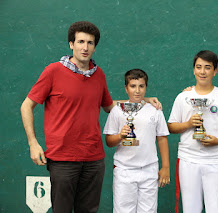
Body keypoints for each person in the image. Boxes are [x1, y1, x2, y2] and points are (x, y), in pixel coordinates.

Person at [20, 21, 160, 213]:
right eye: (80, 42)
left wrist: (141, 101)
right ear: (71, 44)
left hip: (93, 158)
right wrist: (33, 143)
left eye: (90, 43)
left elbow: (110, 106)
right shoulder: (53, 71)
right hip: (63, 158)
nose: (85, 47)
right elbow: (27, 105)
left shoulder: (98, 74)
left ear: (95, 46)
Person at [168, 50, 218, 213]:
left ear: (215, 71)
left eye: (207, 67)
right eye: (199, 67)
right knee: (191, 209)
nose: (202, 72)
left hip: (215, 160)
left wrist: (217, 141)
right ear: (194, 70)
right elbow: (171, 126)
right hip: (188, 159)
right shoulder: (183, 97)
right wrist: (189, 123)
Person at [103, 69, 170, 213]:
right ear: (126, 88)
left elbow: (162, 138)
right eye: (133, 86)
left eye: (141, 86)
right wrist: (120, 136)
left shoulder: (155, 109)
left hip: (149, 170)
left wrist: (165, 167)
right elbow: (109, 141)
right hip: (124, 170)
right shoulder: (117, 110)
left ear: (146, 87)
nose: (137, 90)